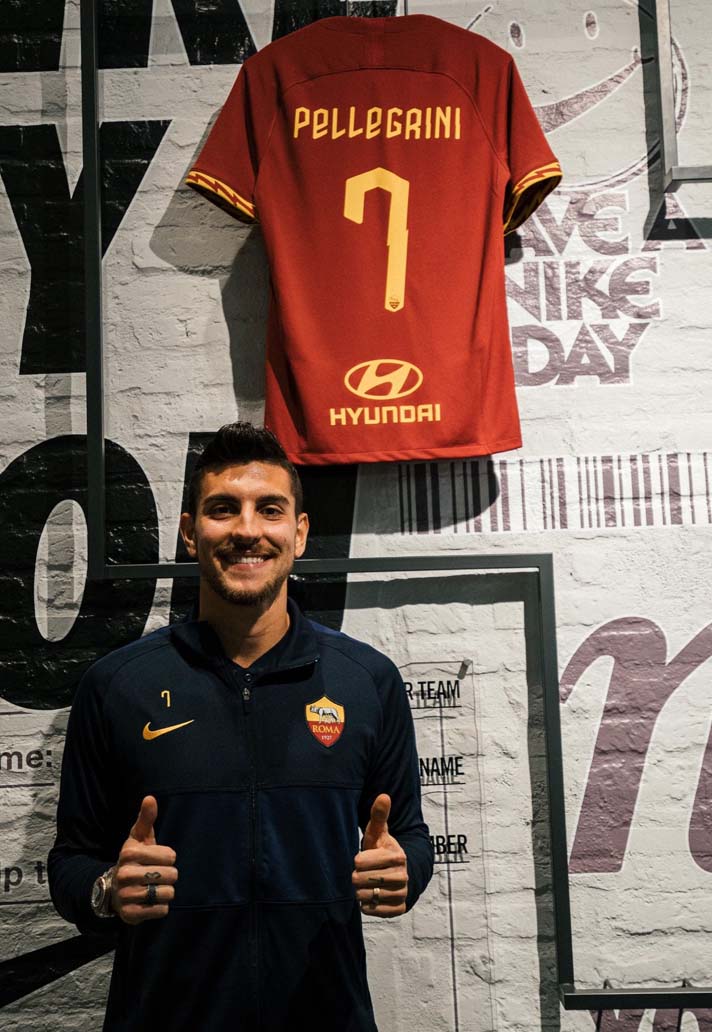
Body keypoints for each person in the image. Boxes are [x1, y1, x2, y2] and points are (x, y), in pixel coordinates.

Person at [48, 422, 433, 1031]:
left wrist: (404, 870)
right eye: (223, 509)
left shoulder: (367, 681)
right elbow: (71, 861)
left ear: (299, 533)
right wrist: (106, 890)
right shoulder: (117, 685)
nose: (247, 530)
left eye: (269, 510)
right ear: (190, 532)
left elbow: (409, 836)